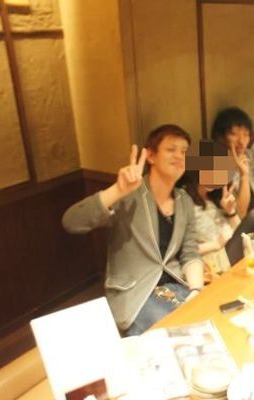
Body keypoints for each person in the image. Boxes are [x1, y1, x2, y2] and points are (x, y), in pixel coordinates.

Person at [62, 125, 203, 335]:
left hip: (176, 287)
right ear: (151, 156)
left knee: (206, 319)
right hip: (137, 293)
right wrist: (117, 190)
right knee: (178, 334)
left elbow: (190, 252)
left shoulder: (184, 201)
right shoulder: (129, 194)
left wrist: (197, 290)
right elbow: (72, 222)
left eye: (184, 151)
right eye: (171, 149)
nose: (179, 156)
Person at [181, 141, 254, 275]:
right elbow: (182, 250)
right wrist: (216, 244)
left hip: (229, 249)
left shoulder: (214, 197)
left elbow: (238, 231)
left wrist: (231, 212)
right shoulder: (183, 200)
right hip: (212, 261)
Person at [210, 107, 254, 235]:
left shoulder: (250, 155)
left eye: (246, 134)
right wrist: (244, 176)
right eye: (234, 134)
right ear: (220, 137)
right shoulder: (216, 168)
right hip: (243, 232)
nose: (241, 141)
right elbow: (240, 214)